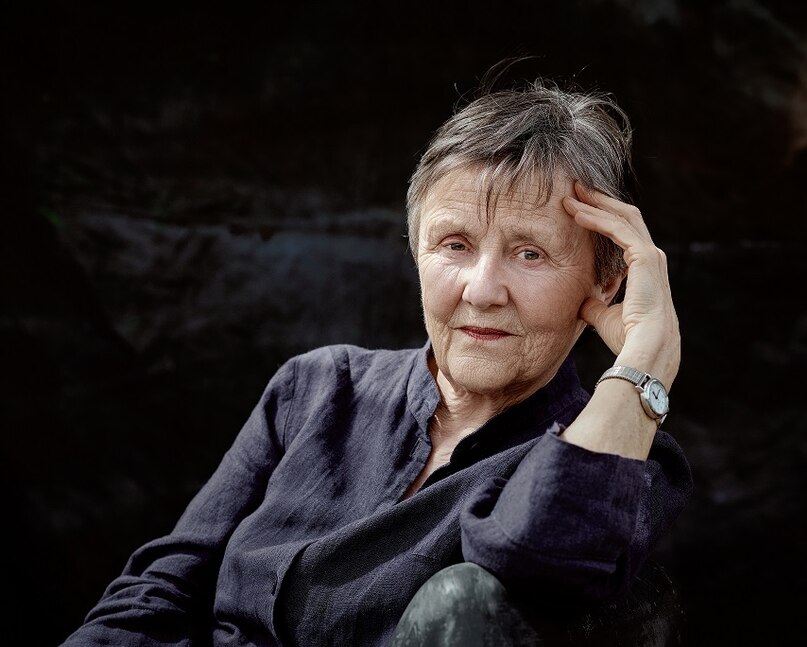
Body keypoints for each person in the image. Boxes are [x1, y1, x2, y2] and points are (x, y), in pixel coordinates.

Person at [60, 74, 692, 647]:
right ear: (416, 252)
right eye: (455, 244)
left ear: (603, 279)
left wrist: (646, 362)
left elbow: (539, 570)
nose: (480, 289)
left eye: (529, 253)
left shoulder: (626, 457)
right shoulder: (316, 388)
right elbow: (158, 592)